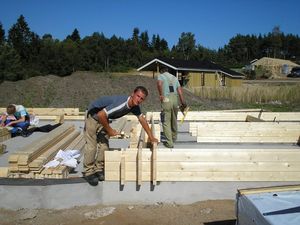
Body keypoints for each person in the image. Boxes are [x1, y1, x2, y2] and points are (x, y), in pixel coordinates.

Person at [84, 86, 158, 186]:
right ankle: (89, 172)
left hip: (103, 118)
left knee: (104, 145)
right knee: (92, 145)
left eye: (142, 99)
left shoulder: (135, 106)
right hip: (93, 116)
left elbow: (142, 119)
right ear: (132, 94)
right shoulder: (121, 104)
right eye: (138, 96)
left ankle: (98, 169)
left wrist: (151, 136)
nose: (139, 100)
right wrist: (109, 130)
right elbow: (101, 114)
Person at [157, 66, 187, 148]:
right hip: (175, 100)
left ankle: (169, 143)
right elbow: (180, 92)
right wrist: (183, 102)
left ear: (162, 71)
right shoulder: (174, 78)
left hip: (166, 99)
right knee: (174, 119)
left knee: (166, 121)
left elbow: (159, 84)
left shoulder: (161, 76)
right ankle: (173, 138)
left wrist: (161, 95)